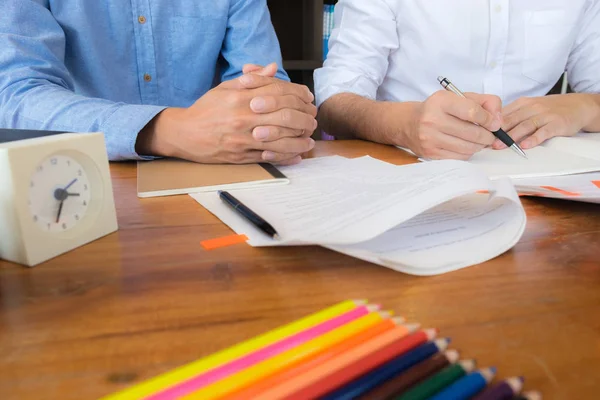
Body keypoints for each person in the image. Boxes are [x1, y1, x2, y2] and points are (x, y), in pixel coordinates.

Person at [0, 1, 316, 165]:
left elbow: (263, 81)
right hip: (82, 176)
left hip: (221, 170)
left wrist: (272, 110)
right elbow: (14, 96)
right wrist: (166, 130)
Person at [314, 0, 600, 160]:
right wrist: (402, 125)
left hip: (543, 182)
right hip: (408, 172)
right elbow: (333, 105)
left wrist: (588, 106)